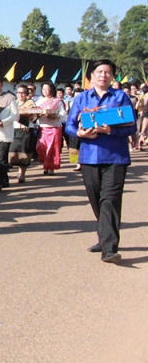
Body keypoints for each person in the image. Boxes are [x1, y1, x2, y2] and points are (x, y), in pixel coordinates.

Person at [65, 59, 136, 264]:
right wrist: (80, 133)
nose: (103, 75)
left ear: (113, 76)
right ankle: (104, 237)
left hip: (115, 157)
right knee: (96, 199)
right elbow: (69, 126)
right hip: (89, 157)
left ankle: (109, 249)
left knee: (110, 200)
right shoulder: (82, 99)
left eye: (108, 72)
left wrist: (111, 130)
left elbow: (131, 127)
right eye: (99, 72)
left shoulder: (121, 97)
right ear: (91, 77)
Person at [35, 82, 67, 175]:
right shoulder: (39, 101)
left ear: (52, 89)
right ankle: (45, 165)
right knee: (41, 148)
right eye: (43, 89)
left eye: (47, 89)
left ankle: (51, 168)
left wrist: (54, 115)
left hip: (54, 128)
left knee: (52, 149)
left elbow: (63, 115)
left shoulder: (57, 101)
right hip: (42, 127)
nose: (45, 91)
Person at [11, 85, 37, 183]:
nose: (20, 94)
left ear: (26, 94)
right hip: (14, 129)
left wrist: (28, 115)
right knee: (13, 151)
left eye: (23, 93)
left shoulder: (30, 103)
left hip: (26, 129)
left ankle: (22, 173)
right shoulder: (14, 103)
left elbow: (34, 117)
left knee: (24, 152)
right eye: (19, 92)